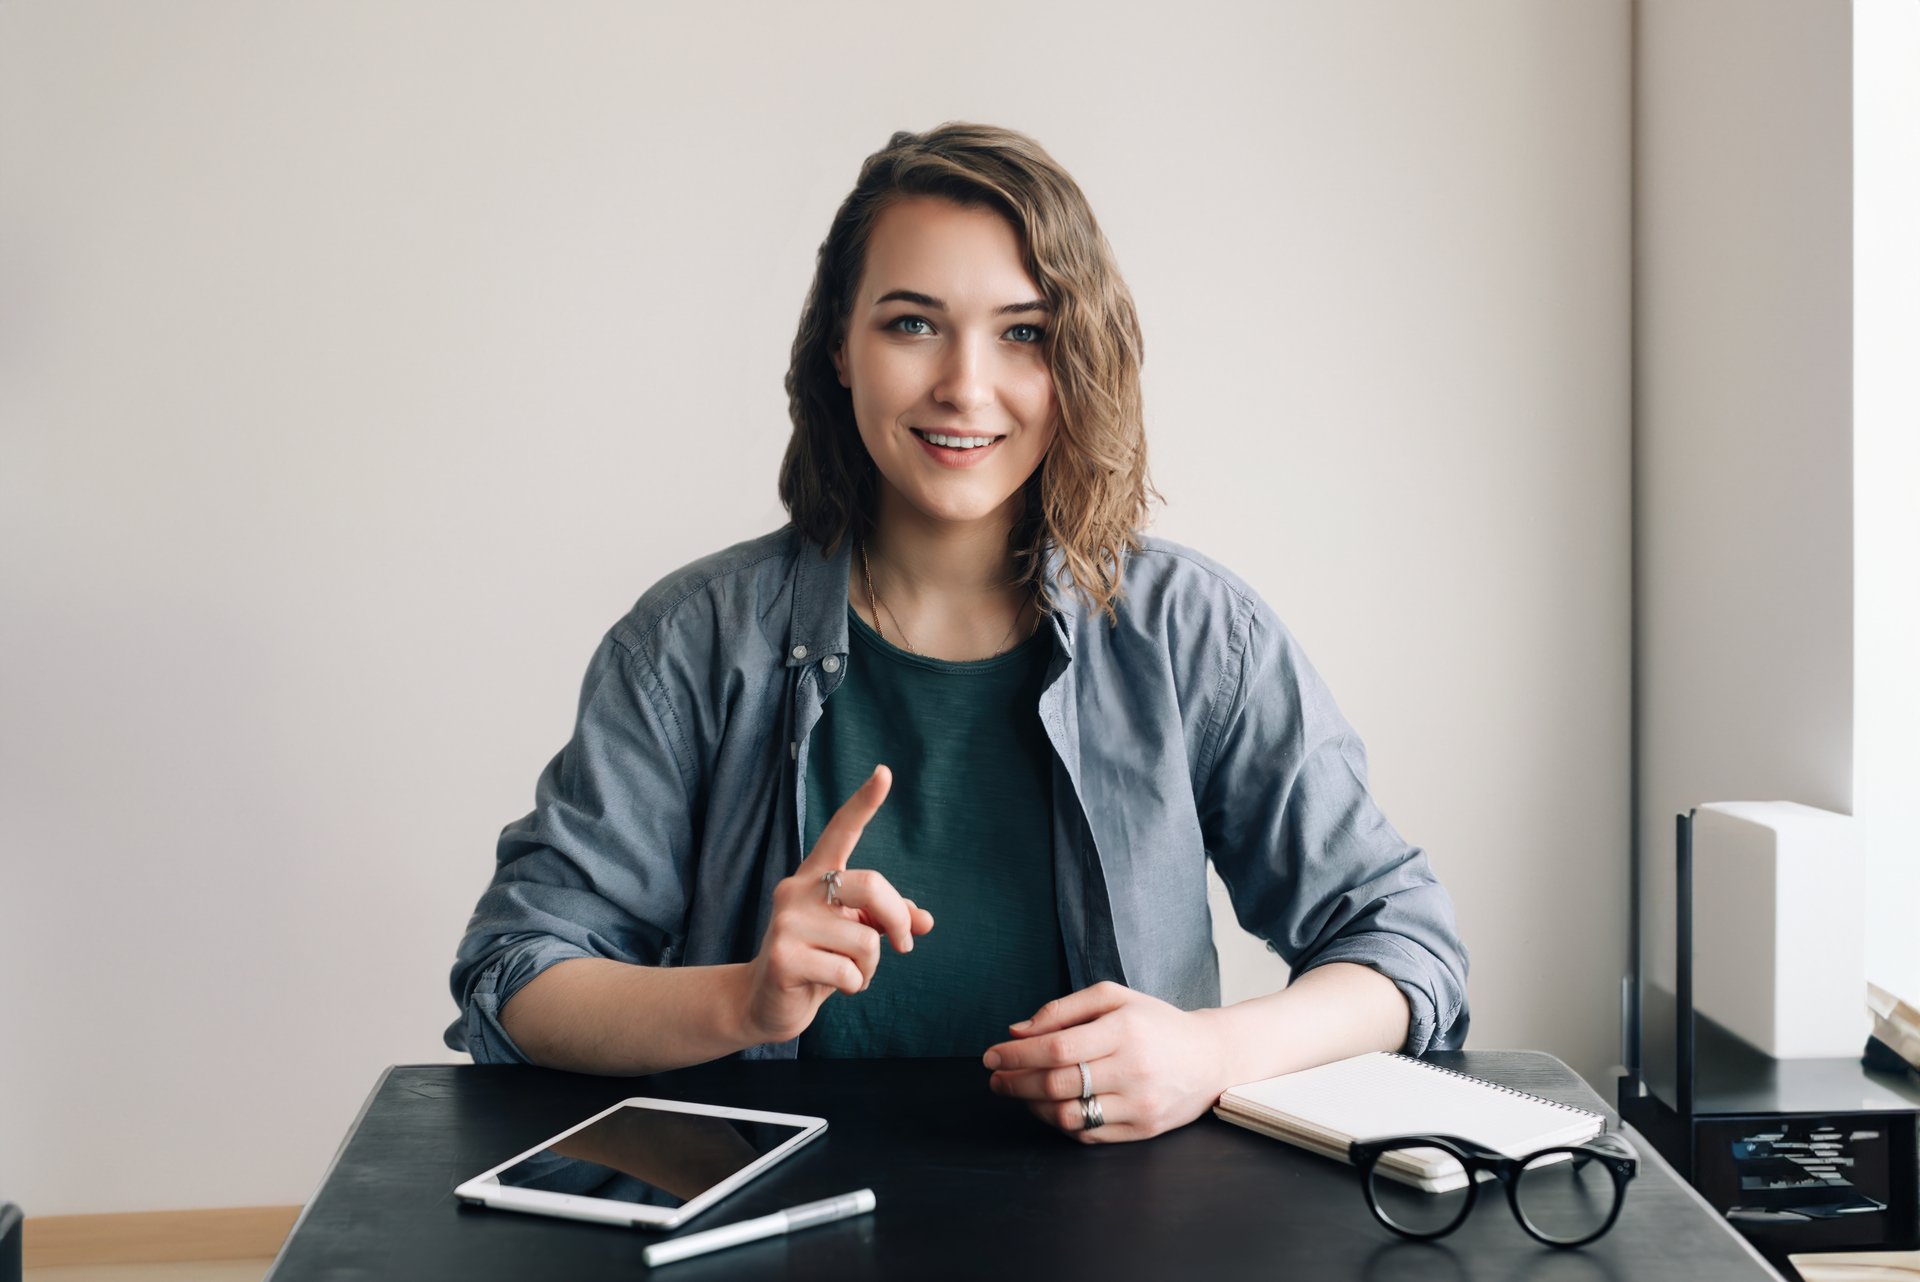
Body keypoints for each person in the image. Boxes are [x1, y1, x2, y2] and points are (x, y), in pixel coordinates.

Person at [448, 123, 1468, 1144]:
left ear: (1078, 360)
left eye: (1023, 333)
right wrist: (740, 998)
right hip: (774, 1227)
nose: (965, 387)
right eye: (912, 324)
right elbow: (519, 971)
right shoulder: (691, 642)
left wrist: (1212, 1052)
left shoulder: (1197, 635)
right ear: (839, 349)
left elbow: (1400, 942)